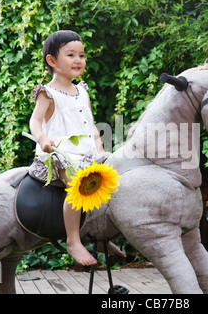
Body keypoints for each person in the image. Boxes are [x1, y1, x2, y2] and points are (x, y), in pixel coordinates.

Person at [29, 30, 125, 266]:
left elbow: (90, 124)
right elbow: (35, 121)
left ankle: (101, 236)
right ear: (52, 61)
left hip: (87, 154)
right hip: (60, 154)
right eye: (70, 55)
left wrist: (100, 149)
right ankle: (73, 240)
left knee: (112, 180)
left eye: (81, 55)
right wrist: (42, 139)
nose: (78, 60)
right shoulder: (48, 93)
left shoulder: (82, 90)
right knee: (78, 185)